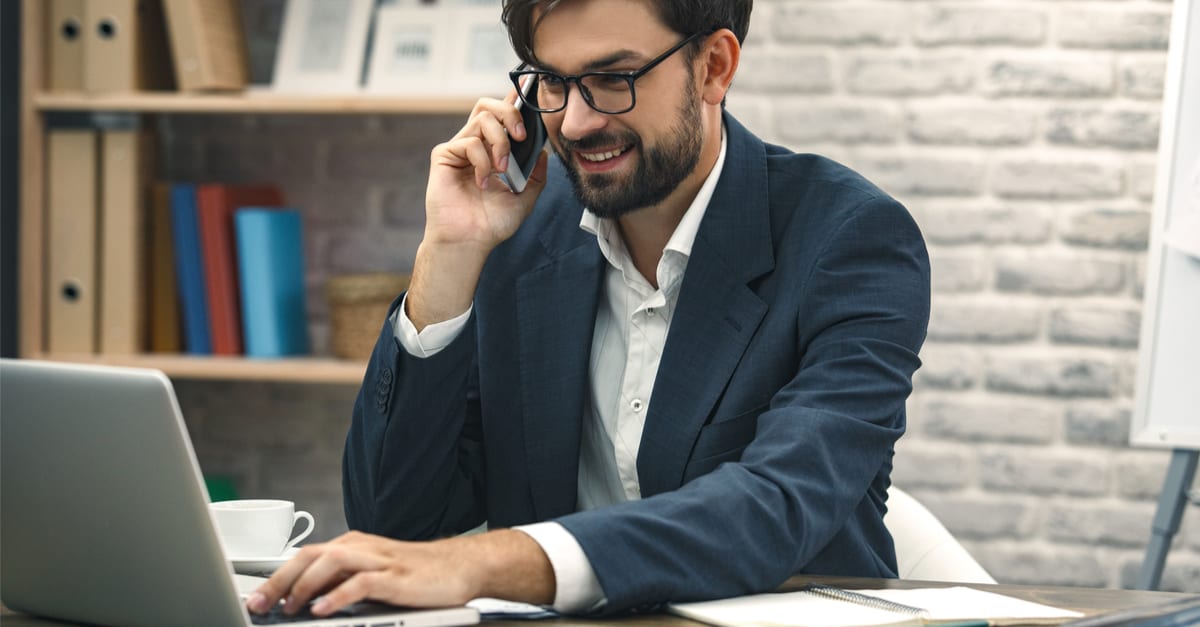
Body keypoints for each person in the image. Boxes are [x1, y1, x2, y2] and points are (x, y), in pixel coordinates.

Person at [248, 0, 930, 618]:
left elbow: (778, 503)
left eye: (613, 78)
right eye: (551, 81)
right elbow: (396, 519)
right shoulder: (523, 241)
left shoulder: (849, 240)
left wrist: (491, 560)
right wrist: (449, 256)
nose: (574, 122)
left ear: (713, 67)